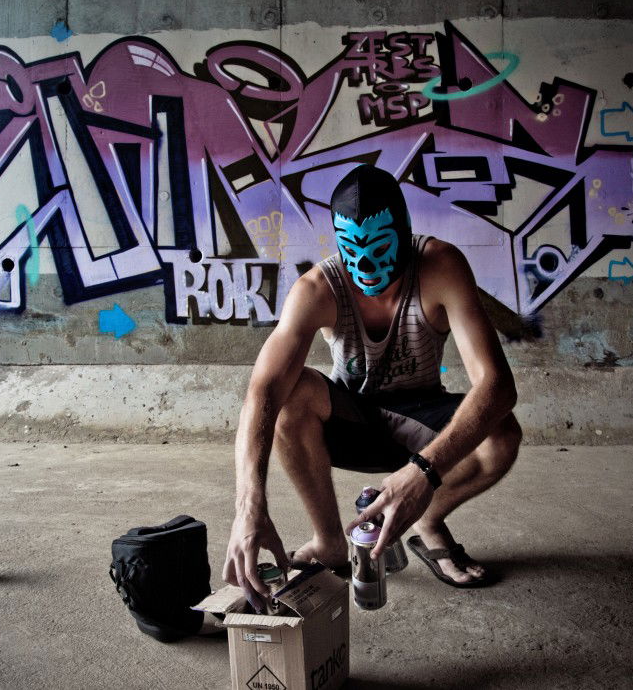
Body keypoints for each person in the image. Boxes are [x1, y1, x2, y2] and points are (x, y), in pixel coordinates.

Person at [223, 164, 521, 606]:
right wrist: (248, 507)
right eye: (351, 249)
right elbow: (262, 392)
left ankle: (427, 519)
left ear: (404, 232)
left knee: (502, 434)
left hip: (421, 419)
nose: (364, 264)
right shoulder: (318, 288)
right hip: (353, 419)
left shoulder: (440, 266)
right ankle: (329, 541)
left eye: (379, 247)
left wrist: (423, 474)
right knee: (289, 397)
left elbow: (497, 386)